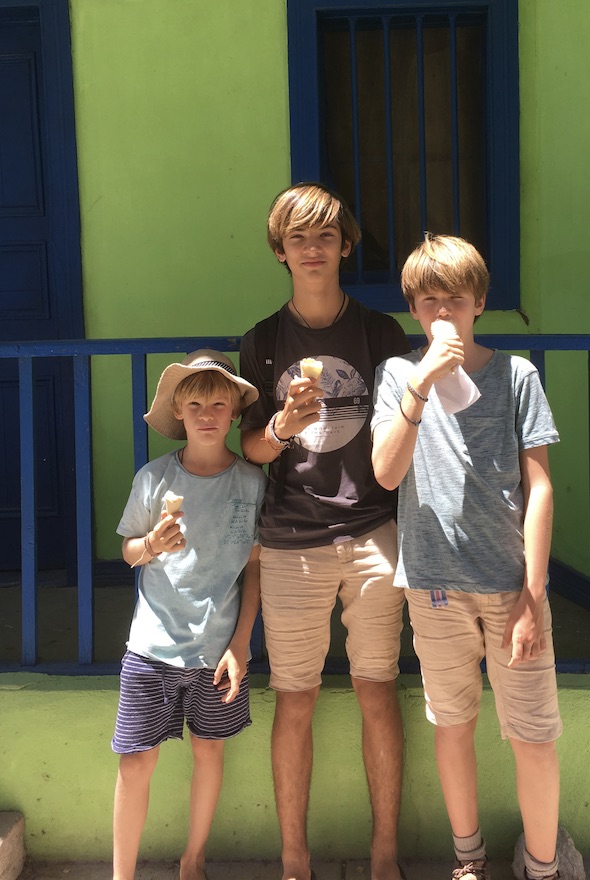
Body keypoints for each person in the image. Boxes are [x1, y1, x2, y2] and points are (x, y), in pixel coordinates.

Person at [371, 236, 563, 880]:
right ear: (412, 309)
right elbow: (386, 474)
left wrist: (533, 596)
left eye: (456, 298)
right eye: (429, 301)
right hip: (434, 586)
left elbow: (539, 487)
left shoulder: (517, 376)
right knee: (453, 725)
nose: (443, 312)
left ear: (480, 302)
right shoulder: (397, 376)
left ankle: (542, 867)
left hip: (511, 587)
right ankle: (468, 860)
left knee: (533, 735)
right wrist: (422, 383)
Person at [239, 183, 412, 880]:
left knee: (377, 689)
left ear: (345, 247)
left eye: (326, 237)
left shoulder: (380, 334)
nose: (313, 249)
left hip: (374, 532)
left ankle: (385, 855)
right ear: (281, 252)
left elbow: (404, 434)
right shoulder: (261, 342)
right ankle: (294, 862)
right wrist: (281, 426)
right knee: (295, 698)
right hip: (290, 540)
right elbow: (249, 449)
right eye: (298, 239)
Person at [111, 350, 267, 880]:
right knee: (136, 760)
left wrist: (241, 643)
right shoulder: (153, 479)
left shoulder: (252, 483)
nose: (206, 414)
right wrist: (151, 545)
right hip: (151, 646)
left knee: (209, 750)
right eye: (195, 404)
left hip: (218, 650)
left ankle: (192, 861)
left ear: (234, 412)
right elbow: (129, 551)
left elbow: (254, 568)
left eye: (218, 404)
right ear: (178, 411)